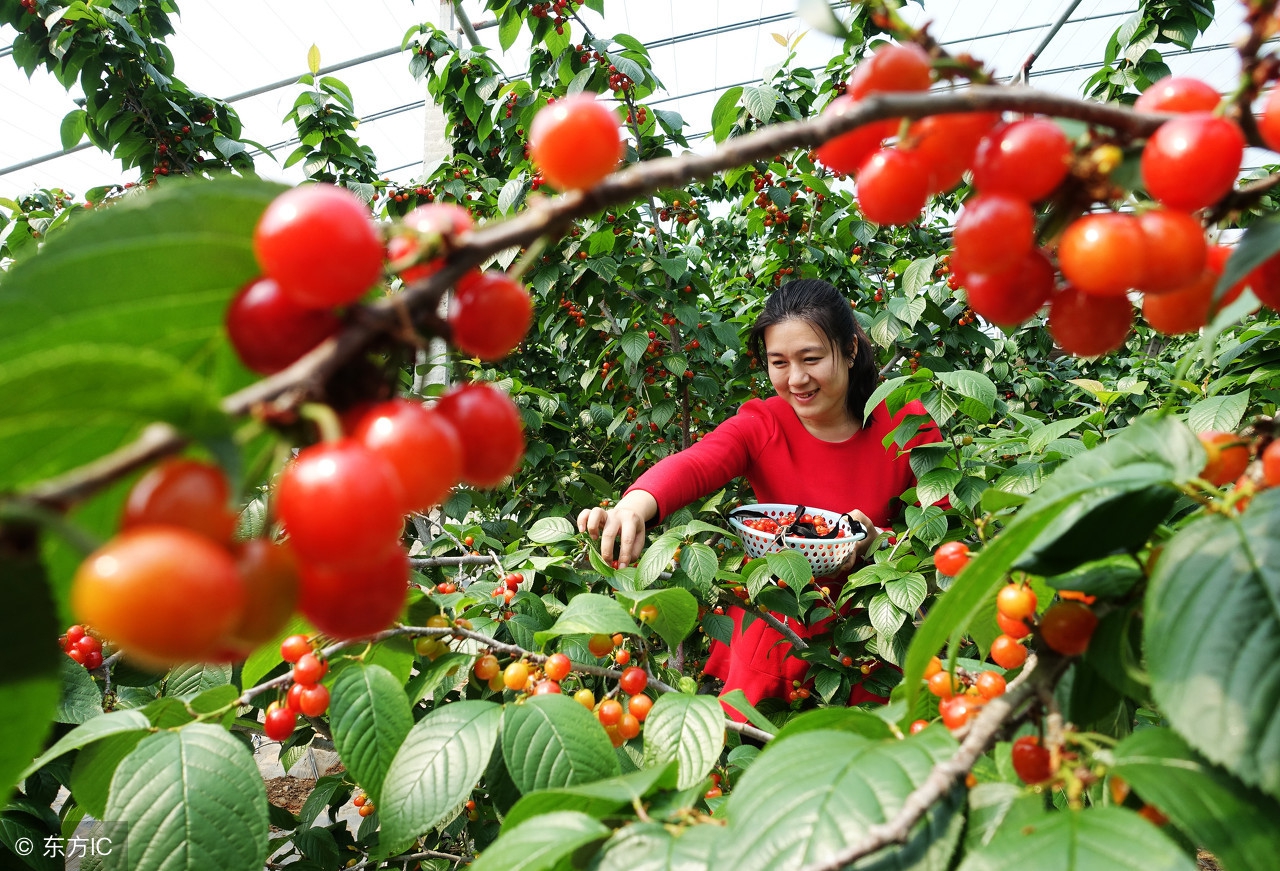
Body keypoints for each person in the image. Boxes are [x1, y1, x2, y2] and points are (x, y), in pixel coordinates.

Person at [577, 278, 942, 710]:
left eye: (812, 358)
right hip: (774, 631)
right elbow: (699, 461)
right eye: (778, 363)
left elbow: (941, 528)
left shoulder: (907, 421)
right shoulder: (763, 423)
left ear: (850, 349)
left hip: (871, 640)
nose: (797, 379)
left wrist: (880, 542)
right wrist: (635, 504)